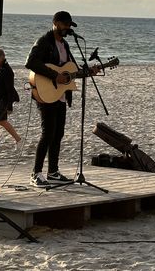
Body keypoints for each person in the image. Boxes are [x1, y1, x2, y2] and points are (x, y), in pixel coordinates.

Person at [25, 11, 98, 187]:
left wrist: (88, 71)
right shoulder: (44, 41)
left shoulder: (65, 45)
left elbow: (70, 71)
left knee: (58, 134)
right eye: (65, 25)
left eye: (69, 26)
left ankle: (53, 172)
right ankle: (36, 173)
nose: (67, 29)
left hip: (60, 96)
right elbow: (31, 62)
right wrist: (54, 76)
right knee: (47, 133)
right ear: (56, 23)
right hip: (45, 93)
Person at [0, 47, 22, 153]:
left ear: (1, 57)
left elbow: (10, 89)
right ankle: (19, 140)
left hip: (4, 99)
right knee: (2, 121)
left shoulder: (7, 71)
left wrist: (10, 106)